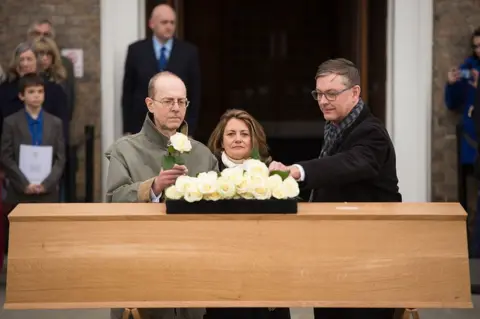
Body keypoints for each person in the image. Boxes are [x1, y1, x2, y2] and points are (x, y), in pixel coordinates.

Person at [269, 58, 401, 319]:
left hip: (368, 259)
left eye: (331, 93)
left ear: (355, 92)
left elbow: (348, 164)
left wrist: (297, 171)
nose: (323, 101)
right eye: (318, 94)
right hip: (335, 254)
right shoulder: (337, 126)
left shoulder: (371, 132)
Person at [106, 71, 216, 319]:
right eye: (168, 101)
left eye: (181, 102)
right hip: (141, 267)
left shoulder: (203, 154)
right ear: (150, 104)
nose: (176, 108)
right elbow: (114, 199)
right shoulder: (125, 150)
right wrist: (153, 187)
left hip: (194, 270)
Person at [205, 108, 290, 319]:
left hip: (263, 269)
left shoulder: (272, 171)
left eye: (244, 134)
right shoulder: (206, 173)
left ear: (254, 140)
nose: (238, 139)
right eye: (231, 134)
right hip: (220, 271)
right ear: (221, 140)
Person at [122, 4, 201, 136]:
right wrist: (128, 129)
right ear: (151, 24)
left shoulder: (189, 52)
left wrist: (190, 128)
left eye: (172, 22)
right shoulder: (136, 51)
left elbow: (195, 93)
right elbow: (128, 92)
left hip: (177, 127)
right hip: (141, 127)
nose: (169, 26)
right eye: (164, 22)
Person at [0, 73, 65, 204]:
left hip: (47, 193)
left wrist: (46, 184)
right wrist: (24, 183)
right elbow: (6, 156)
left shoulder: (55, 123)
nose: (36, 95)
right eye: (31, 92)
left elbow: (60, 158)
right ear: (21, 96)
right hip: (20, 192)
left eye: (40, 91)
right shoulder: (11, 122)